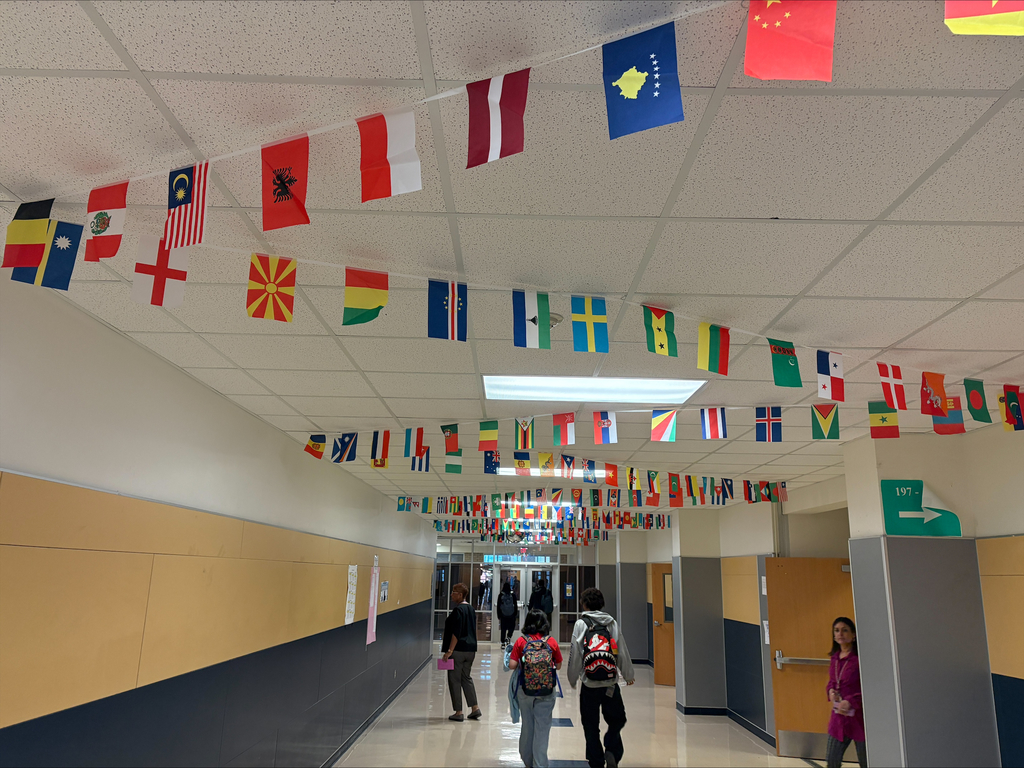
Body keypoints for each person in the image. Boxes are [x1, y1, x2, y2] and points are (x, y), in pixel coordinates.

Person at [568, 587, 634, 768]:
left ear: (584, 604)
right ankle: (612, 750)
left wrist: (572, 678)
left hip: (589, 684)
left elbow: (576, 654)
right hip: (610, 684)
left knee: (590, 725)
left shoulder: (581, 624)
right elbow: (620, 649)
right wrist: (628, 675)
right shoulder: (610, 623)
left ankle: (596, 761)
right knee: (618, 719)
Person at [508, 609, 563, 768]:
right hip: (546, 690)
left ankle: (527, 760)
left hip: (525, 689)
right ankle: (540, 763)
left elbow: (512, 665)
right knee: (542, 728)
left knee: (528, 725)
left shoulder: (521, 641)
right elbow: (558, 666)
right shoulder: (551, 642)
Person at [826, 617, 866, 768]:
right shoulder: (835, 658)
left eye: (845, 630)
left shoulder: (858, 659)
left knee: (866, 761)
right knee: (832, 761)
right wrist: (831, 691)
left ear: (853, 634)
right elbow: (832, 681)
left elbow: (869, 688)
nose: (840, 634)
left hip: (859, 716)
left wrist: (851, 701)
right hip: (839, 717)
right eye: (836, 630)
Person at [441, 583, 482, 722]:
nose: (451, 594)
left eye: (453, 592)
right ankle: (475, 708)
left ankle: (458, 712)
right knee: (466, 678)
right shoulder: (471, 609)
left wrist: (449, 651)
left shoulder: (458, 610)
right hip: (470, 650)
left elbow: (456, 633)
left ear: (460, 595)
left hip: (458, 650)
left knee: (454, 680)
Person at [498, 581, 519, 649]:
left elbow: (499, 606)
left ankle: (503, 643)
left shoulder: (501, 595)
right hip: (511, 614)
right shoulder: (512, 595)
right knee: (511, 627)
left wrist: (499, 615)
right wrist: (515, 613)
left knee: (503, 629)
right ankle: (509, 637)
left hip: (503, 615)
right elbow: (515, 605)